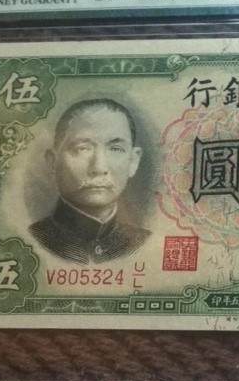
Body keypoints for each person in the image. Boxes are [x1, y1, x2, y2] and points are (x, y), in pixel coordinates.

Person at [29, 98, 150, 264]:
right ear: (53, 161)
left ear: (134, 161)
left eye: (115, 149)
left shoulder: (145, 243)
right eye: (82, 149)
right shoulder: (31, 239)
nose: (99, 168)